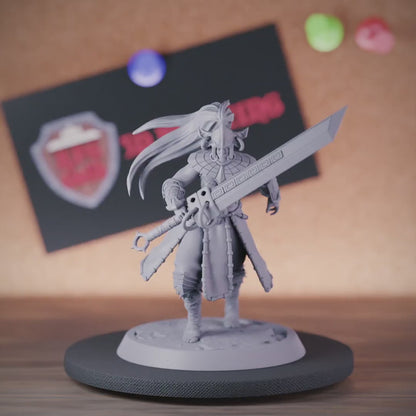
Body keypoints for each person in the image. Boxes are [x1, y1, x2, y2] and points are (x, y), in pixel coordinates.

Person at [127, 101, 280, 342]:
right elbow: (175, 181)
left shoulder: (246, 163)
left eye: (227, 147)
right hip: (198, 222)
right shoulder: (200, 160)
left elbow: (266, 174)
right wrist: (175, 199)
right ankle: (194, 321)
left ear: (236, 140)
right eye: (218, 147)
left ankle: (231, 310)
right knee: (186, 272)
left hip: (230, 222)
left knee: (234, 270)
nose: (222, 153)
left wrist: (273, 195)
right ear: (208, 141)